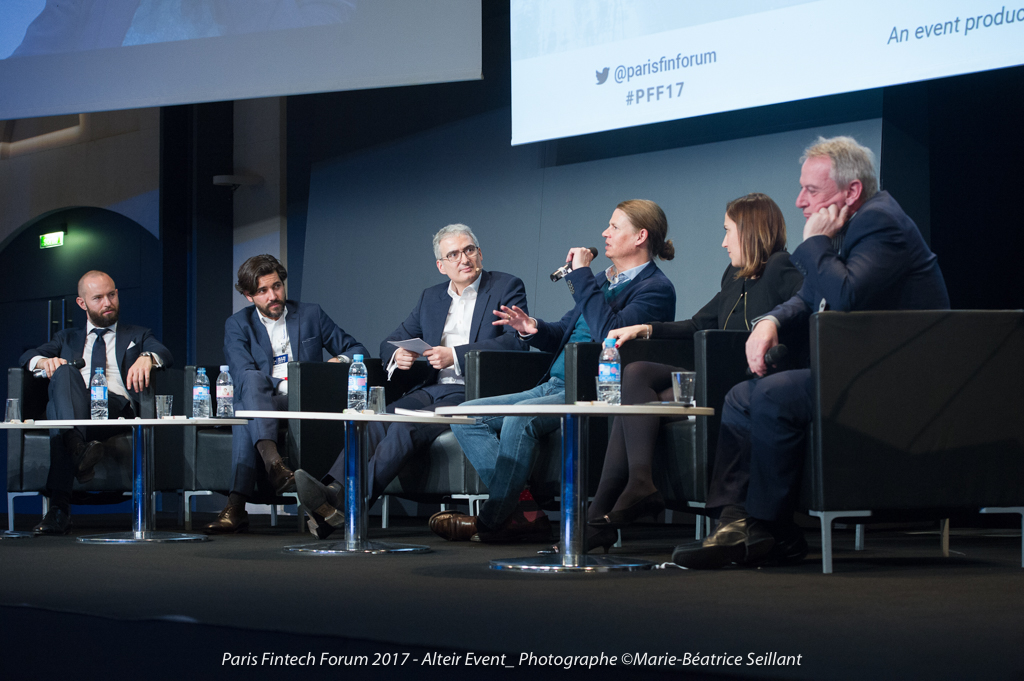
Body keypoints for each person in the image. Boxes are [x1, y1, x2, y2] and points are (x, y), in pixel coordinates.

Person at [673, 136, 950, 569]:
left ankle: (770, 529)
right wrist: (772, 320)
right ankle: (733, 522)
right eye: (801, 188)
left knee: (773, 393)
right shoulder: (852, 222)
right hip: (864, 370)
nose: (800, 201)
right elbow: (809, 295)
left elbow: (845, 294)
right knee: (741, 396)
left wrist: (815, 242)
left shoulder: (881, 223)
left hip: (902, 380)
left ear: (851, 191)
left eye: (812, 191)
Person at [431, 199, 677, 544]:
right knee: (464, 415)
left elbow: (612, 333)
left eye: (614, 227)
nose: (605, 233)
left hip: (591, 388)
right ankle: (522, 511)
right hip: (551, 384)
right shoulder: (605, 282)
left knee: (520, 418)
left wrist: (581, 278)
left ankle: (491, 520)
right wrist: (531, 327)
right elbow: (565, 332)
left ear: (640, 236)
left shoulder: (655, 288)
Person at [585, 193, 803, 551]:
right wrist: (644, 329)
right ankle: (634, 486)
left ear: (749, 231)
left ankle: (599, 517)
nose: (723, 241)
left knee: (640, 393)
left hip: (750, 380)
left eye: (727, 231)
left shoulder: (781, 267)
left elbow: (802, 308)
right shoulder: (734, 276)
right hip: (718, 373)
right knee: (637, 374)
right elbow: (699, 323)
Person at [292, 224, 530, 538]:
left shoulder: (505, 286)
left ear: (480, 253)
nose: (464, 259)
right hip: (433, 387)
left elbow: (516, 341)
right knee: (379, 420)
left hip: (476, 389)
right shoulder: (431, 298)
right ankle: (332, 492)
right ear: (441, 265)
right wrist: (398, 355)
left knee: (404, 427)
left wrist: (455, 355)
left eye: (469, 250)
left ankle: (339, 506)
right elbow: (390, 341)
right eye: (454, 254)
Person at [203, 254, 368, 534]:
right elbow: (241, 372)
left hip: (306, 400)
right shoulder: (238, 324)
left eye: (277, 286)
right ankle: (275, 466)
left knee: (246, 411)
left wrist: (339, 360)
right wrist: (280, 384)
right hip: (266, 398)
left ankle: (236, 506)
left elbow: (357, 349)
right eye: (263, 291)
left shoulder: (311, 314)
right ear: (248, 296)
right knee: (251, 385)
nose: (273, 296)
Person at [20, 270, 173, 535]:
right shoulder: (65, 338)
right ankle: (78, 447)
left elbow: (164, 353)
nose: (108, 303)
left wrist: (147, 356)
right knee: (65, 371)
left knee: (59, 416)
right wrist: (45, 362)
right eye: (98, 298)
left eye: (112, 294)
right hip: (78, 408)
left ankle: (59, 510)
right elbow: (28, 356)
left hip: (115, 409)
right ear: (82, 303)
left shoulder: (137, 334)